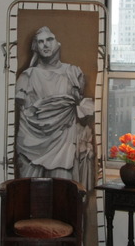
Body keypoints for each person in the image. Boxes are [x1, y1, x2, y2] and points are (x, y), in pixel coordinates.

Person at [15, 26, 96, 191]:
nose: (45, 44)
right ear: (36, 47)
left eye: (49, 39)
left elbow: (78, 105)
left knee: (63, 192)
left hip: (63, 140)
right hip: (31, 142)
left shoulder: (73, 73)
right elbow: (23, 111)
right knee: (30, 193)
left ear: (58, 43)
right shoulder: (27, 76)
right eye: (40, 42)